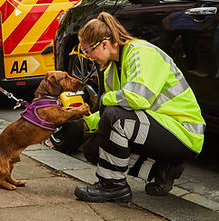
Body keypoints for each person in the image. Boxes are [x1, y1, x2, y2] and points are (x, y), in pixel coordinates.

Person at [73, 12, 205, 203]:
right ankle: (163, 167)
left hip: (184, 131)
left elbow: (138, 99)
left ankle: (113, 186)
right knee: (94, 149)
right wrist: (82, 125)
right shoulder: (111, 70)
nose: (88, 57)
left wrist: (104, 98)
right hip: (161, 128)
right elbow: (112, 109)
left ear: (103, 44)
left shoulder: (141, 52)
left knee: (115, 118)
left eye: (87, 51)